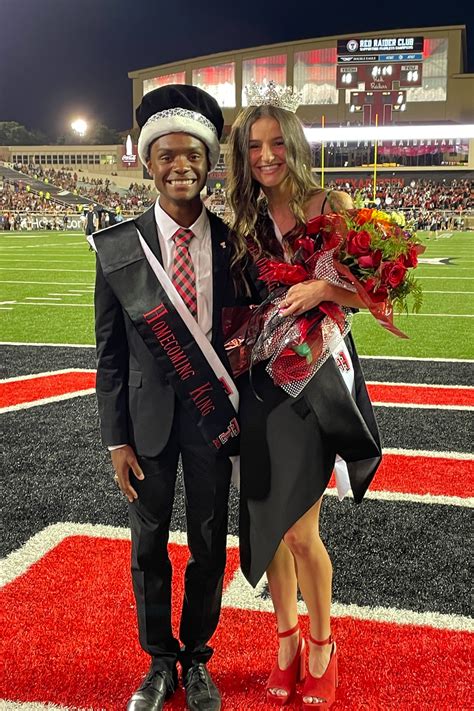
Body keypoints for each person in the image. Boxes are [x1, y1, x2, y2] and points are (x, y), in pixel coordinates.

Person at [226, 89, 382, 709]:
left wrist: (322, 287)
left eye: (273, 143)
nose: (264, 155)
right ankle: (285, 640)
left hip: (314, 384)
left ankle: (321, 645)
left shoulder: (330, 204)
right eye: (253, 146)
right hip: (261, 385)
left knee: (300, 529)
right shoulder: (241, 218)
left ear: (293, 144)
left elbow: (372, 294)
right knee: (273, 523)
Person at [92, 84, 239, 711]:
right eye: (167, 156)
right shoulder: (121, 249)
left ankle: (198, 658)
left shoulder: (236, 243)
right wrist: (115, 438)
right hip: (147, 428)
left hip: (213, 422)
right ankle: (158, 663)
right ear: (148, 162)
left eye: (193, 156)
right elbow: (109, 354)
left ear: (208, 163)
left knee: (209, 544)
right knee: (147, 545)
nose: (181, 166)